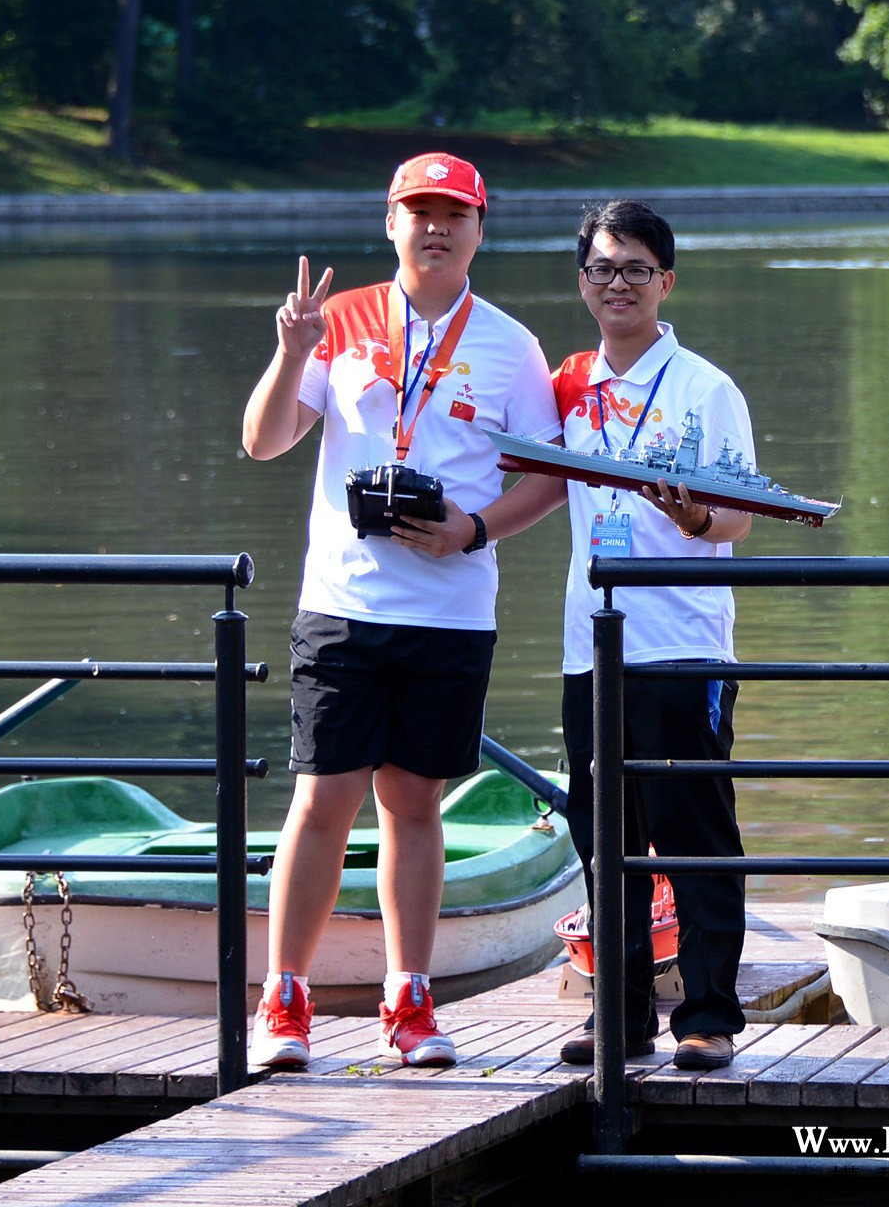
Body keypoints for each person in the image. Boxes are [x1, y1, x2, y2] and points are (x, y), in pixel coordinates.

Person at [240, 152, 562, 1071]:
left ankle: (409, 999)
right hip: (342, 604)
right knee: (323, 799)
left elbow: (548, 479)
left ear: (478, 230)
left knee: (414, 803)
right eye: (418, 210)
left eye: (453, 212)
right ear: (390, 224)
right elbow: (263, 443)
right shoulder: (336, 323)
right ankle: (286, 1000)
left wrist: (471, 530)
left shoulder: (510, 344)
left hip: (452, 610)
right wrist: (291, 350)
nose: (435, 226)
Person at [552, 199, 752, 1071]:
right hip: (588, 646)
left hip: (682, 647)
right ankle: (621, 1015)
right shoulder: (568, 388)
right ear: (583, 283)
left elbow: (740, 518)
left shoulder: (705, 387)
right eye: (602, 268)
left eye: (636, 268)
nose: (618, 283)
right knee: (605, 841)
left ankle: (707, 1017)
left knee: (698, 839)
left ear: (665, 281)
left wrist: (695, 512)